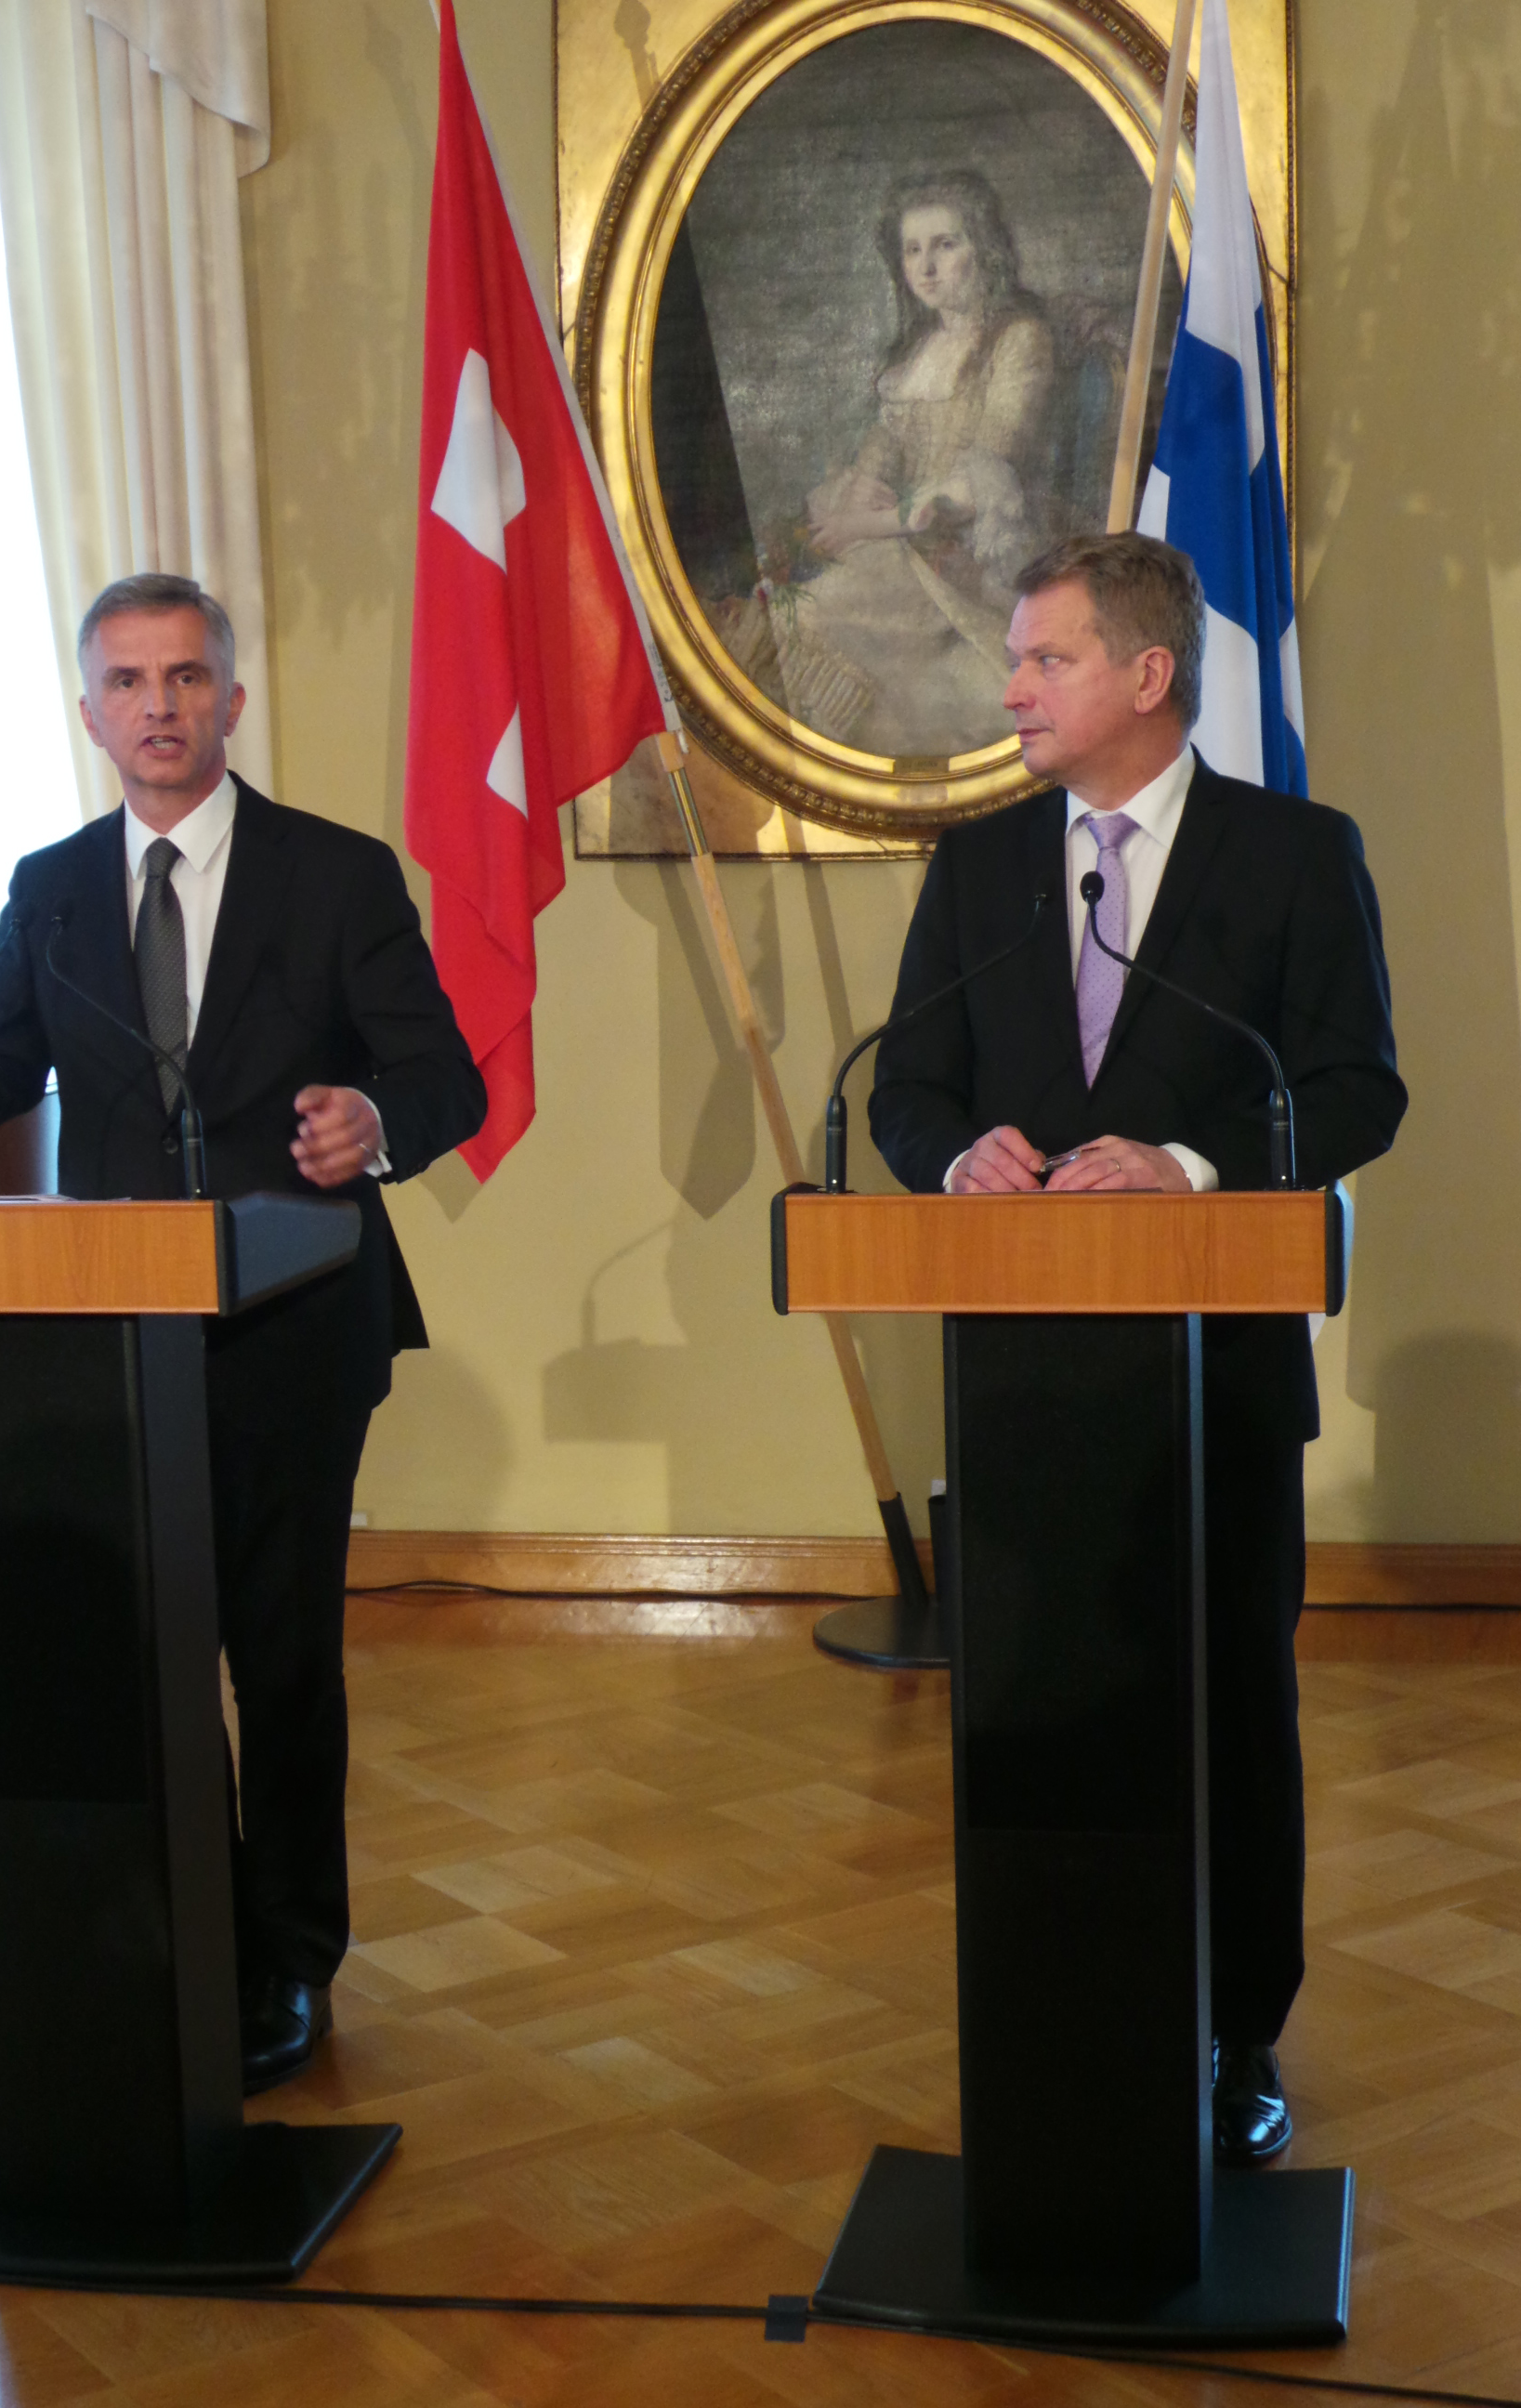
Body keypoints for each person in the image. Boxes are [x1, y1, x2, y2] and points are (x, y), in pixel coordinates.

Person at [0, 572, 486, 2093]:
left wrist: (372, 1120)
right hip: (102, 1331)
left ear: (231, 701)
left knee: (280, 1654)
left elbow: (446, 1078)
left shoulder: (335, 876)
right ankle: (163, 1936)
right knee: (142, 1654)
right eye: (128, 680)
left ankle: (290, 1957)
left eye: (185, 677)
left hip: (291, 1321)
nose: (158, 705)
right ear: (92, 708)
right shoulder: (50, 887)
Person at [868, 530, 1406, 2164]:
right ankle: (1056, 2009)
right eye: (1014, 659)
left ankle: (1235, 2029)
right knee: (1035, 1706)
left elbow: (1355, 1087)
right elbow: (904, 1088)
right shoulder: (975, 870)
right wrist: (950, 1155)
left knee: (1224, 1703)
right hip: (1022, 1379)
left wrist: (1180, 1166)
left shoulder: (1293, 854)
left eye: (1041, 658)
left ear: (1144, 675)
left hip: (1214, 1374)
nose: (1009, 686)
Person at [787, 170, 1055, 756]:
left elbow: (978, 484)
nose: (926, 266)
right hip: (905, 537)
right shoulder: (920, 349)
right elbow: (888, 435)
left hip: (972, 551)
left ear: (983, 249)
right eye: (913, 250)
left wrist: (866, 525)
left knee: (815, 614)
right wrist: (864, 483)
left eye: (945, 245)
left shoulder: (1019, 341)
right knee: (789, 597)